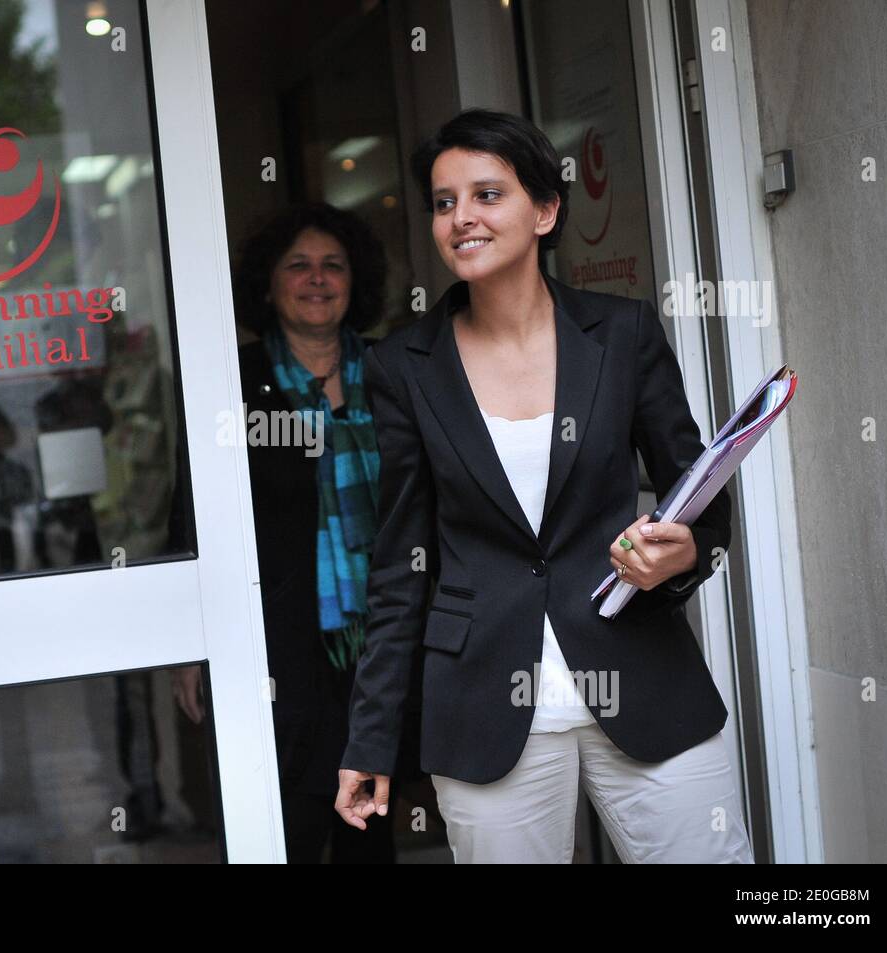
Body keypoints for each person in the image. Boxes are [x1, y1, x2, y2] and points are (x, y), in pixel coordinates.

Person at [334, 110, 754, 864]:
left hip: (643, 679)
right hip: (481, 701)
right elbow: (400, 567)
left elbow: (705, 501)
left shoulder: (622, 334)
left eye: (487, 194)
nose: (461, 217)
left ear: (546, 210)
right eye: (443, 201)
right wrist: (370, 738)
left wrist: (684, 551)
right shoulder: (403, 367)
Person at [176, 203, 403, 863]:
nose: (317, 278)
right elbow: (193, 510)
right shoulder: (235, 383)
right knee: (289, 827)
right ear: (267, 284)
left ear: (355, 280)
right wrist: (191, 643)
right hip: (276, 647)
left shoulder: (396, 373)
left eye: (333, 265)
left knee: (373, 831)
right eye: (297, 265)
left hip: (383, 647)